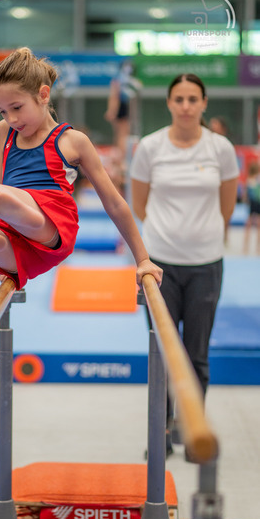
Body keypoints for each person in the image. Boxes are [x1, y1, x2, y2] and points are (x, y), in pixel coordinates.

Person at [0, 47, 162, 293]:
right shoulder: (4, 131)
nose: (11, 119)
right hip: (21, 247)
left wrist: (142, 259)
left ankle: (25, 218)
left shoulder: (72, 141)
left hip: (53, 229)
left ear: (43, 95)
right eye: (2, 111)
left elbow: (114, 203)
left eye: (16, 107)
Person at [130, 73, 239, 459]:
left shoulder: (221, 148)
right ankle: (160, 431)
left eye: (193, 99)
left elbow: (227, 205)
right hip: (159, 264)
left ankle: (192, 429)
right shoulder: (150, 147)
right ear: (169, 103)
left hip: (205, 264)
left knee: (196, 355)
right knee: (161, 351)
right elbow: (139, 204)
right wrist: (165, 238)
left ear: (204, 103)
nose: (186, 106)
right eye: (179, 99)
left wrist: (201, 237)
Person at [104, 60, 142, 171]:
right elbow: (114, 96)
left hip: (123, 106)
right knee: (122, 134)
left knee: (122, 134)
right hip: (121, 106)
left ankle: (121, 158)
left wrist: (112, 110)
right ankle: (120, 159)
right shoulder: (121, 80)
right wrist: (112, 110)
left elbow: (114, 96)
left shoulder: (120, 80)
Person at [243, 161, 260, 254]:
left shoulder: (249, 179)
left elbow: (245, 194)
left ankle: (246, 246)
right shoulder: (257, 179)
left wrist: (245, 201)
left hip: (252, 204)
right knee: (258, 225)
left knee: (249, 224)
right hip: (257, 204)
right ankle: (257, 246)